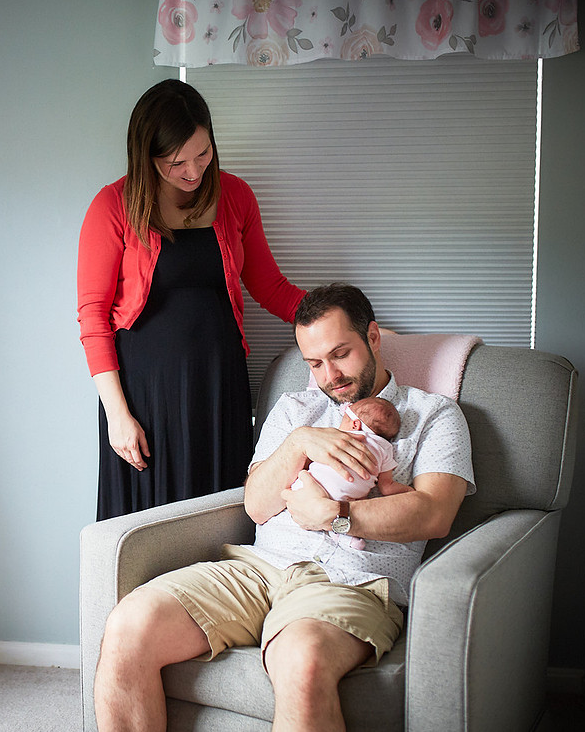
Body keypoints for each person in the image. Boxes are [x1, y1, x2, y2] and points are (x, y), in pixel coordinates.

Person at [93, 283, 474, 732]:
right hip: (259, 569)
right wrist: (299, 443)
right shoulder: (296, 409)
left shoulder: (433, 415)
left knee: (302, 660)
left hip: (353, 579)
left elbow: (434, 513)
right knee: (128, 625)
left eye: (340, 354)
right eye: (314, 363)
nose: (329, 375)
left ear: (373, 337)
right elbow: (256, 505)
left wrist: (336, 515)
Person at [77, 78, 305, 520]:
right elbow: (92, 317)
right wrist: (118, 416)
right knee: (149, 529)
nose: (193, 170)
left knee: (217, 523)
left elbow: (271, 288)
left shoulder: (236, 196)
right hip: (145, 397)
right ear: (147, 156)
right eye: (175, 162)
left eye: (203, 153)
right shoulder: (112, 206)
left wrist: (343, 322)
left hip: (219, 388)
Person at [290, 396, 410, 550]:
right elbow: (387, 487)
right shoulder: (386, 450)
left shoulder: (339, 437)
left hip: (314, 485)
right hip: (347, 500)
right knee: (352, 505)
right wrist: (408, 490)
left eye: (344, 419)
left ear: (355, 424)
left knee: (299, 480)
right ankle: (346, 536)